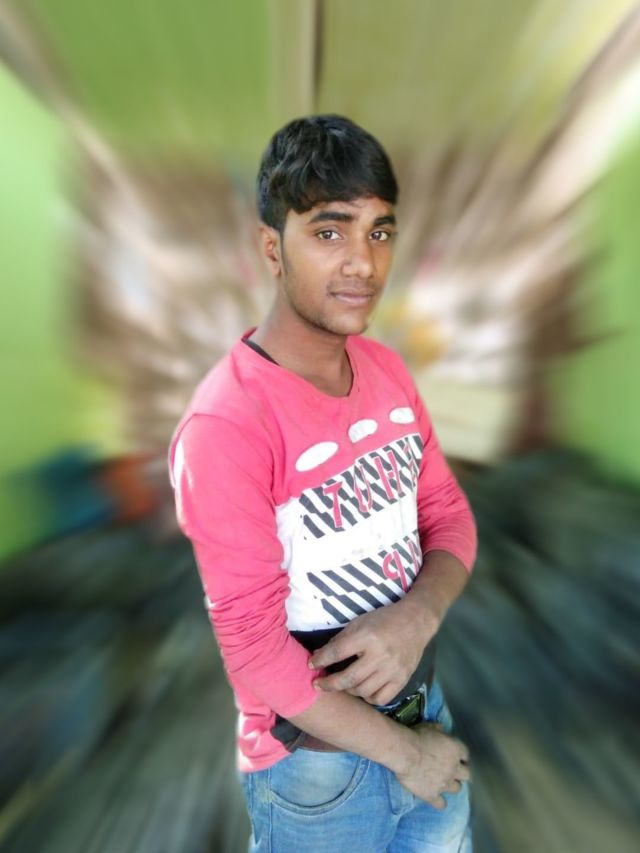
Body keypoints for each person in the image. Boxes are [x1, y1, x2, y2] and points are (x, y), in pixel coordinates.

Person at [168, 114, 477, 852]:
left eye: (379, 231)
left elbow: (446, 512)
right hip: (318, 776)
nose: (363, 263)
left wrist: (417, 616)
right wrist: (409, 757)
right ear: (272, 247)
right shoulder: (227, 424)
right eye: (330, 231)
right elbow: (253, 650)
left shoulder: (387, 370)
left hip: (425, 712)